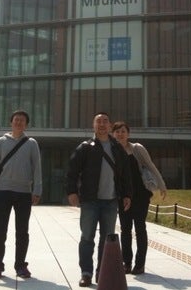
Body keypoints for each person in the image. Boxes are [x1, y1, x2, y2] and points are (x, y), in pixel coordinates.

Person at [66, 112, 133, 287]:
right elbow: (72, 171)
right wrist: (72, 192)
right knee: (87, 237)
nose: (102, 124)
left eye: (105, 121)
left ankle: (101, 273)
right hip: (90, 201)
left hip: (111, 201)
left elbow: (126, 174)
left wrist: (127, 194)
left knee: (106, 240)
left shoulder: (117, 148)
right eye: (98, 121)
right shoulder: (85, 147)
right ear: (93, 125)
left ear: (110, 126)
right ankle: (86, 273)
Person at [0, 109, 42, 279]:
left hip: (24, 193)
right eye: (16, 120)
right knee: (0, 231)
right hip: (2, 192)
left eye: (22, 120)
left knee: (22, 232)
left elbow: (37, 168)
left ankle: (20, 266)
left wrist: (37, 190)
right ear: (11, 122)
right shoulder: (0, 142)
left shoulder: (32, 143)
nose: (18, 122)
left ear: (26, 124)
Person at [111, 120, 166, 275]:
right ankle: (126, 263)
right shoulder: (112, 151)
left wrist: (161, 185)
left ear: (128, 134)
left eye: (123, 131)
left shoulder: (137, 148)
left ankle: (140, 264)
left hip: (140, 194)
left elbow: (150, 166)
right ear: (113, 134)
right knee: (125, 229)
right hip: (123, 196)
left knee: (140, 228)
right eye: (117, 131)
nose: (120, 134)